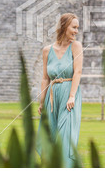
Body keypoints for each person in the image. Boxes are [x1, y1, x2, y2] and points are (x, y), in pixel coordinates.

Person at [36, 13, 83, 167]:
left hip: (69, 97)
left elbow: (78, 72)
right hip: (51, 98)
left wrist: (72, 96)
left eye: (77, 28)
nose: (76, 31)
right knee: (49, 136)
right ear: (64, 26)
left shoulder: (76, 46)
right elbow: (45, 78)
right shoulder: (47, 50)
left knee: (65, 136)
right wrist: (42, 102)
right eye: (74, 27)